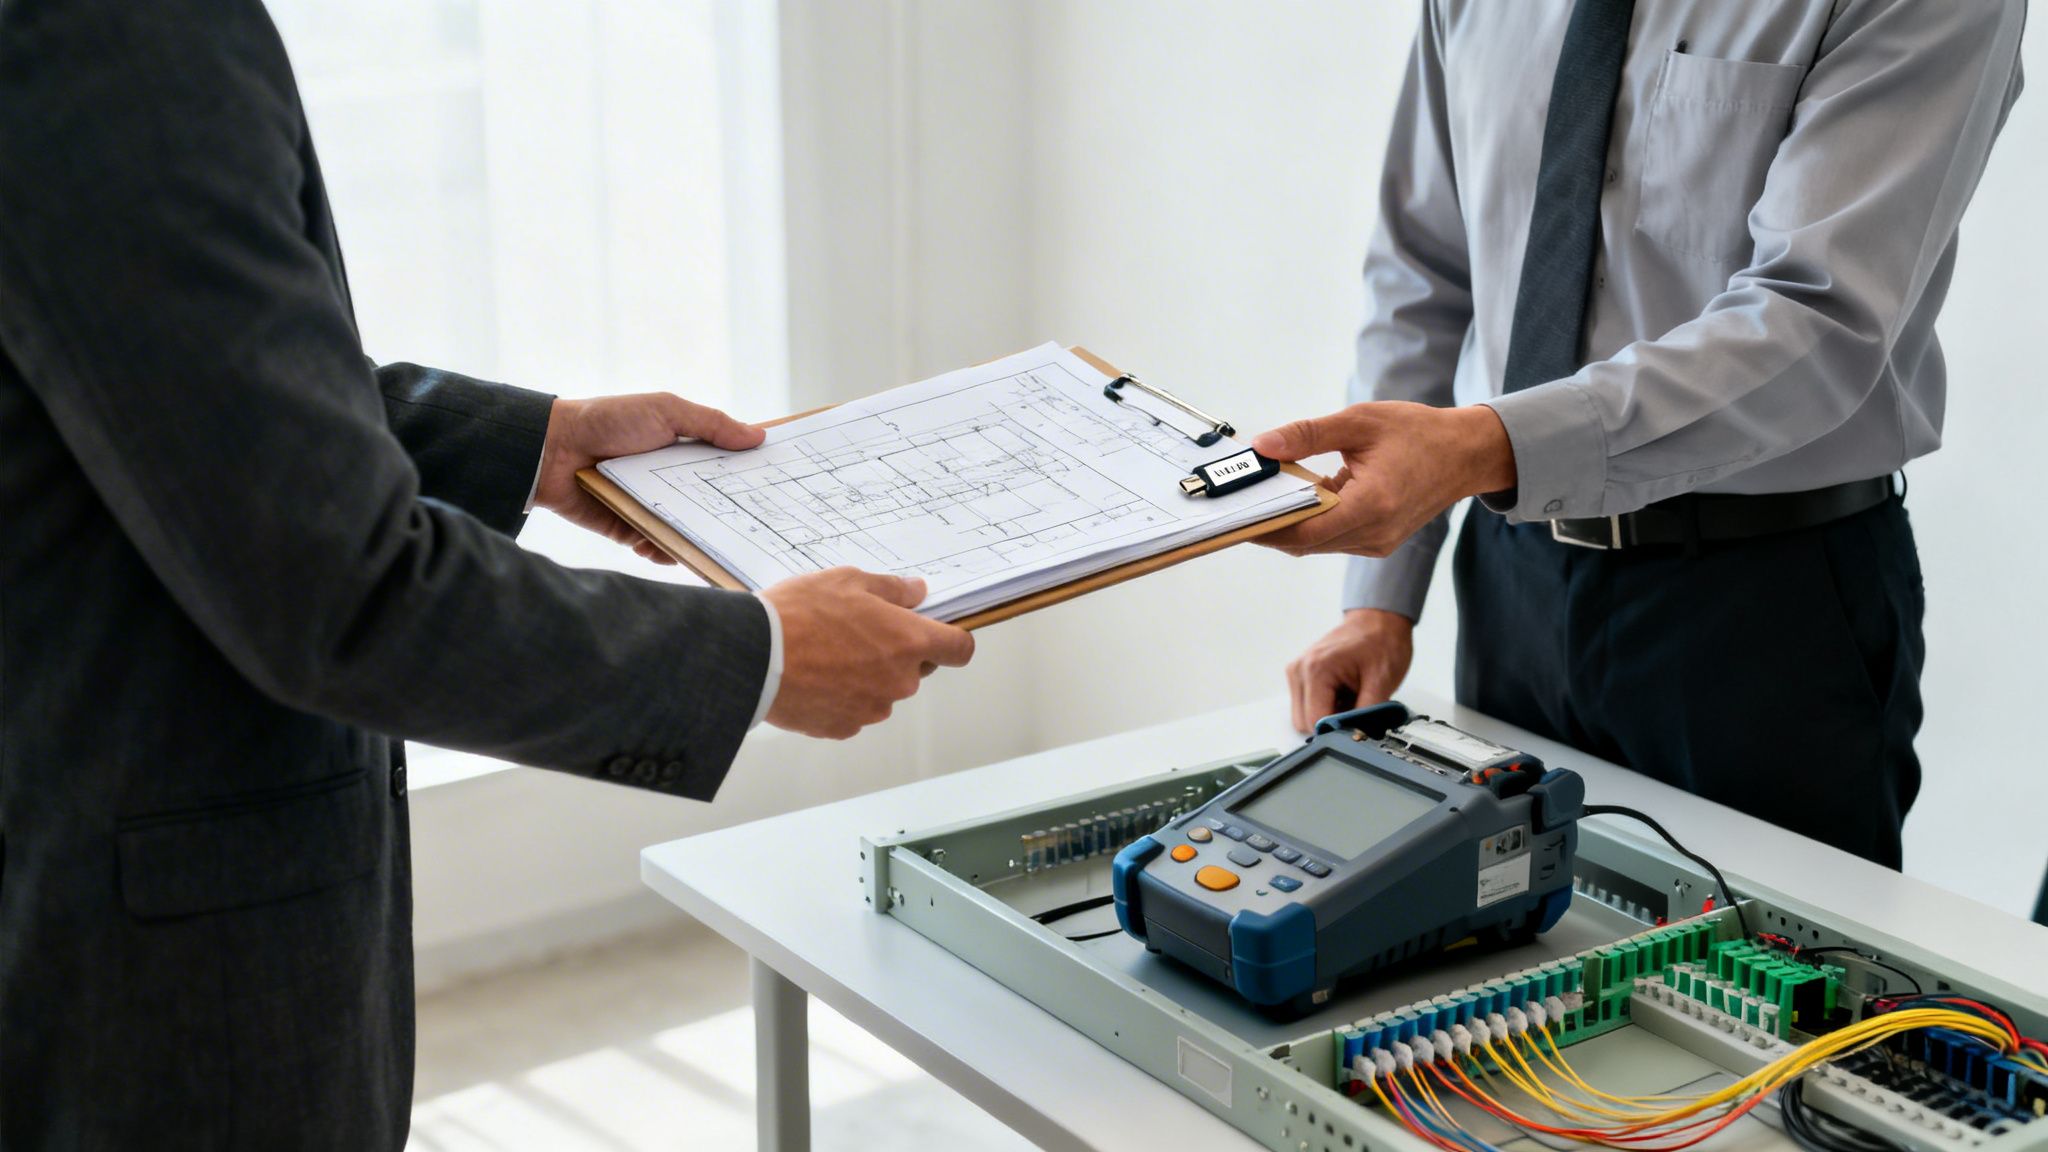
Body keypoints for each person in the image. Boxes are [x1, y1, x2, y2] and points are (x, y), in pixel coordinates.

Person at [0, 0, 972, 1146]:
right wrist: (756, 662)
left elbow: (176, 390)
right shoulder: (104, 32)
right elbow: (341, 591)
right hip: (145, 980)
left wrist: (528, 444)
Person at [1254, 0, 2026, 868]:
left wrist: (1483, 448)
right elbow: (1426, 267)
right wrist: (1379, 600)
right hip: (1513, 579)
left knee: (1766, 986)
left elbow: (1818, 317)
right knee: (1507, 966)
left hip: (1768, 609)